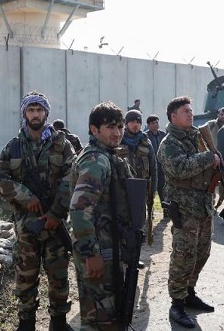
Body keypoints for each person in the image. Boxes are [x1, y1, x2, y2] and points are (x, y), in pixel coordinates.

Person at [0, 92, 75, 331]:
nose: (35, 114)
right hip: (27, 226)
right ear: (25, 114)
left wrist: (56, 212)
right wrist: (25, 196)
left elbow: (72, 177)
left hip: (54, 222)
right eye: (31, 110)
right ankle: (26, 323)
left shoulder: (62, 144)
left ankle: (58, 323)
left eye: (39, 110)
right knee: (26, 278)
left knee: (58, 276)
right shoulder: (14, 146)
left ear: (46, 113)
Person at [157, 96, 224, 328]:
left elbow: (213, 162)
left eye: (191, 110)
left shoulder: (199, 137)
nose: (190, 113)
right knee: (183, 257)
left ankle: (189, 292)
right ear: (173, 116)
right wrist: (209, 157)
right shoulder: (169, 144)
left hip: (204, 206)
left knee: (202, 253)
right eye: (185, 111)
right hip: (184, 210)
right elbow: (179, 168)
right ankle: (176, 304)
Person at [68, 101, 134, 330]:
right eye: (110, 127)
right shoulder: (96, 160)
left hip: (108, 246)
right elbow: (79, 210)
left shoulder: (107, 156)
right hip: (100, 250)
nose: (117, 133)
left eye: (120, 126)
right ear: (94, 130)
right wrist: (91, 255)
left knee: (107, 313)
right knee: (100, 317)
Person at [121, 109, 157, 254]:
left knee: (139, 223)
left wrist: (152, 191)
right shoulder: (118, 140)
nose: (135, 125)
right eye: (132, 122)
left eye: (138, 122)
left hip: (141, 189)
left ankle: (135, 253)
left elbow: (154, 168)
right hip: (122, 189)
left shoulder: (146, 143)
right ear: (126, 123)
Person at [145, 114, 167, 206]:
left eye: (156, 122)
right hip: (151, 167)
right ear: (149, 125)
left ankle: (166, 209)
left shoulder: (163, 135)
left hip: (162, 166)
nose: (155, 124)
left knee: (163, 189)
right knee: (150, 190)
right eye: (152, 123)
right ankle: (150, 210)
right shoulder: (145, 136)